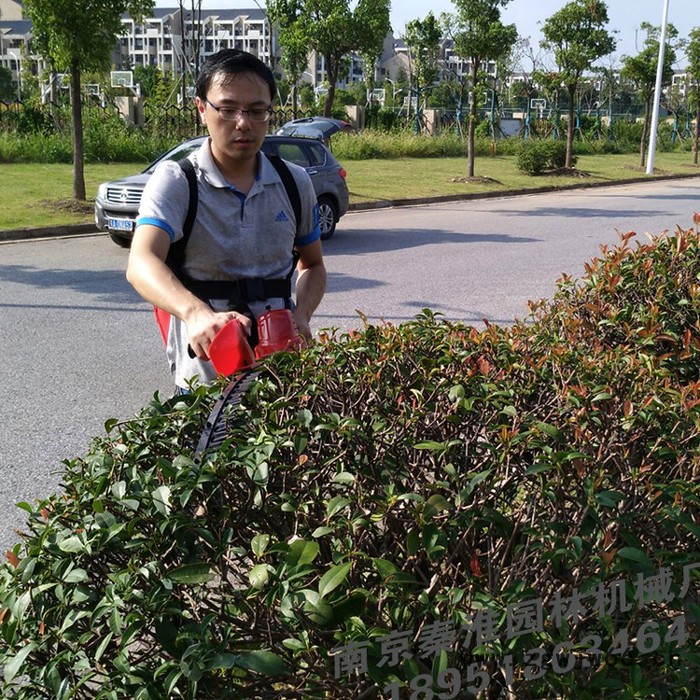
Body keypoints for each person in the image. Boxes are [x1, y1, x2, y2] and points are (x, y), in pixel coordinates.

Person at [126, 49, 326, 392]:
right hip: (204, 384)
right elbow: (141, 262)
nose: (243, 122)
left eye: (257, 110)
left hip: (281, 380)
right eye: (228, 108)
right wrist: (194, 312)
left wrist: (302, 314)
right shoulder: (178, 180)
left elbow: (313, 265)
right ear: (202, 108)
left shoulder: (294, 182)